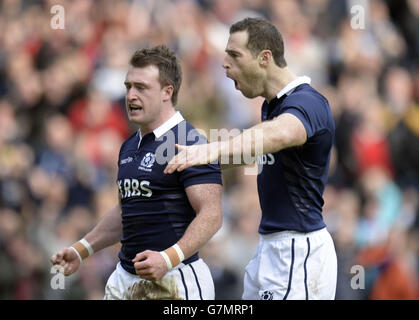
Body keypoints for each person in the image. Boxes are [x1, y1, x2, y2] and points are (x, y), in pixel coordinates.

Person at [165, 17, 337, 300]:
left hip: (297, 252)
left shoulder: (308, 102)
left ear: (264, 58)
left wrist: (210, 150)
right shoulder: (273, 106)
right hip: (271, 248)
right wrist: (186, 165)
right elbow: (249, 150)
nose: (224, 63)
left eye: (234, 54)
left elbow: (279, 134)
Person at [50, 45, 223, 300]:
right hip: (125, 280)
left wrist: (167, 258)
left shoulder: (189, 140)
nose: (130, 96)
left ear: (167, 92)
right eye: (128, 86)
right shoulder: (129, 145)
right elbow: (126, 211)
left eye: (141, 88)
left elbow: (212, 214)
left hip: (176, 280)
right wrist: (81, 249)